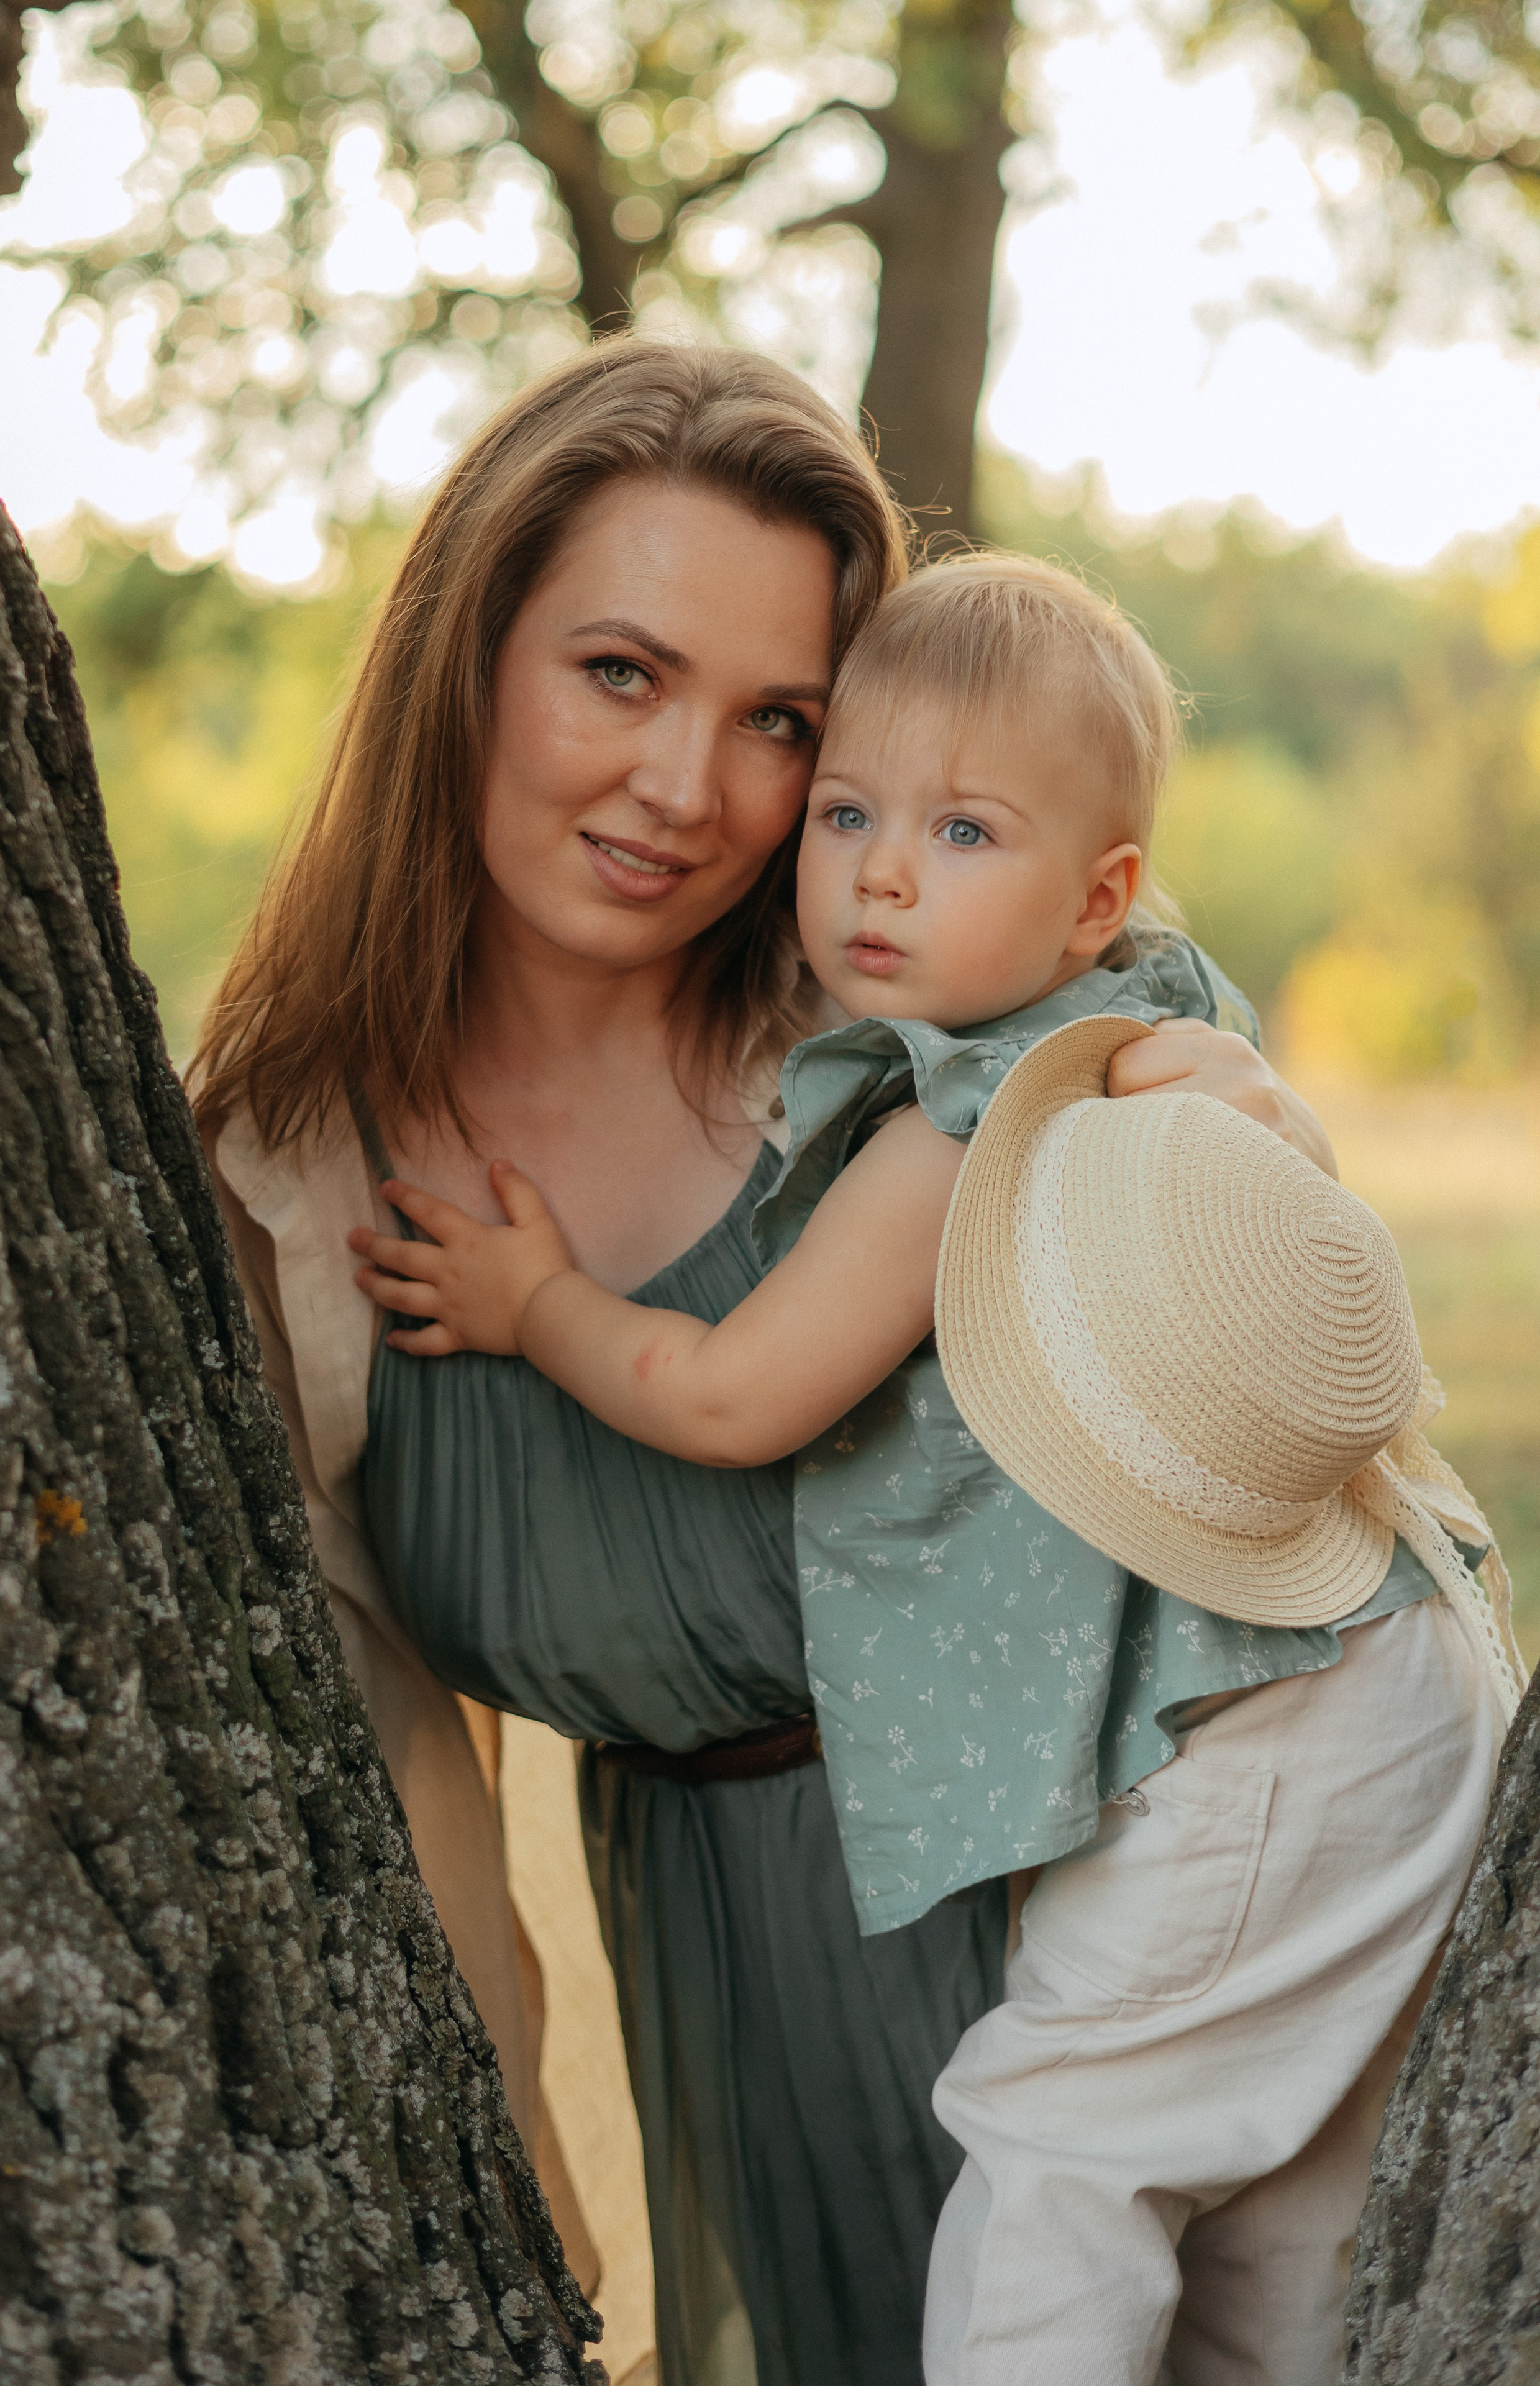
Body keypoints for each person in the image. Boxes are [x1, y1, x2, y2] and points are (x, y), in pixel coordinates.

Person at [194, 347, 1344, 2386]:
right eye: (619, 673)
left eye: (778, 723)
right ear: (465, 658)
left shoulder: (910, 1020)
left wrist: (1243, 1125)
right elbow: (395, 1775)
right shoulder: (288, 1181)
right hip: (740, 2006)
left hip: (1125, 1934)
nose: (685, 786)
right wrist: (519, 2253)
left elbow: (1275, 1347)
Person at [352, 552, 1521, 2386]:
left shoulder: (970, 1117)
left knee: (1056, 2140)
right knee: (1276, 2202)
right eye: (847, 814)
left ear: (1097, 894)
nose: (881, 874)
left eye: (964, 831)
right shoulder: (1157, 1013)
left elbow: (730, 1394)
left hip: (1262, 1731)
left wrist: (535, 1301)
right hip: (1383, 1672)